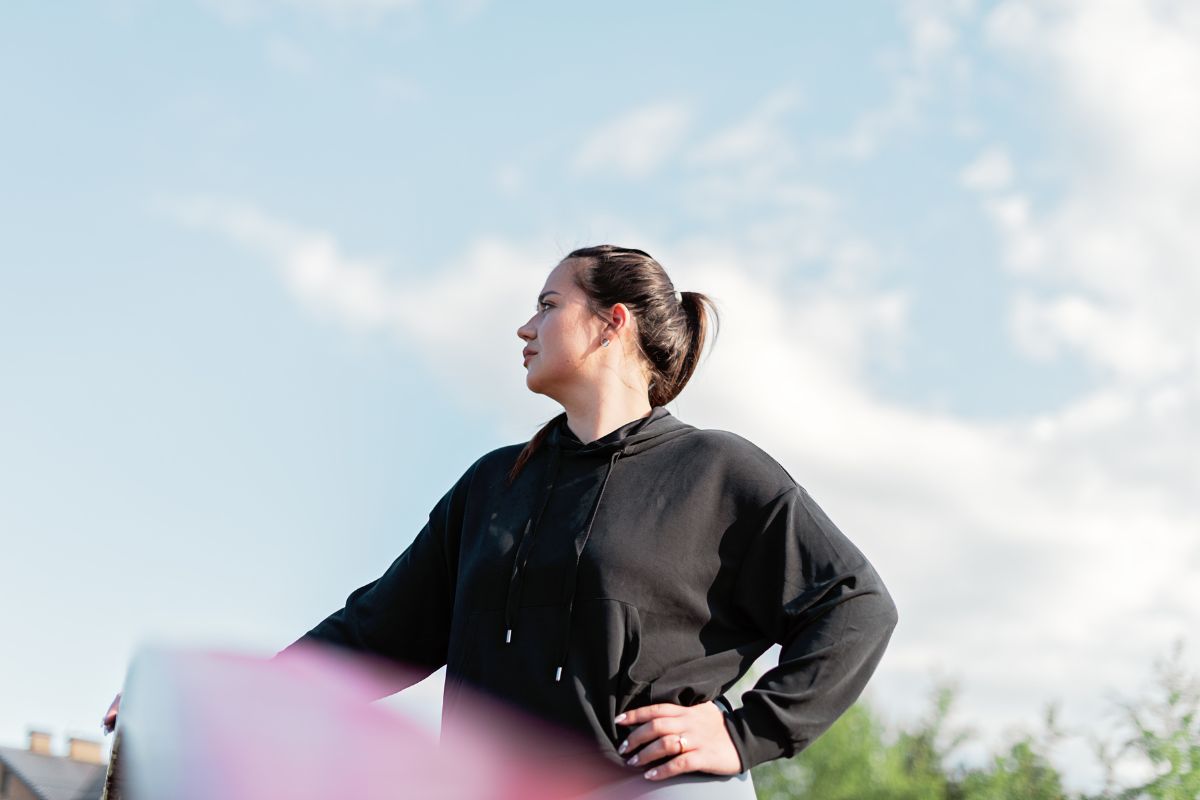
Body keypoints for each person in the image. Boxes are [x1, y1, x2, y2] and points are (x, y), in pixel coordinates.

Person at [105, 245, 898, 798]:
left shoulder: (720, 473)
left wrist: (745, 727)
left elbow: (856, 605)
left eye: (549, 305)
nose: (525, 326)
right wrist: (246, 695)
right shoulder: (493, 485)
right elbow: (379, 628)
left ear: (613, 323)